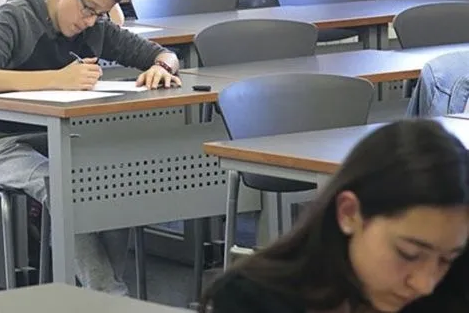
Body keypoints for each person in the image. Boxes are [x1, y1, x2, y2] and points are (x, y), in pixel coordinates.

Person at [0, 0, 182, 294]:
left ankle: (101, 291)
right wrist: (55, 78)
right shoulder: (16, 16)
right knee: (61, 184)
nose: (90, 21)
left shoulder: (94, 25)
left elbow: (161, 53)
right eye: (88, 8)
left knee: (110, 179)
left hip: (53, 138)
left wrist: (163, 66)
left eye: (100, 14)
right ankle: (109, 297)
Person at [201, 119, 469, 313]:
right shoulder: (251, 301)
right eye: (408, 253)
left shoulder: (454, 284)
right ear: (349, 213)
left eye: (446, 259)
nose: (425, 284)